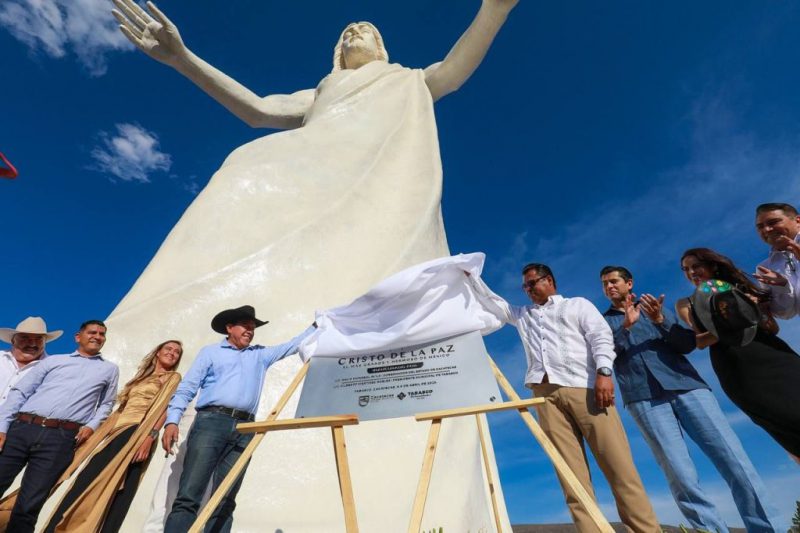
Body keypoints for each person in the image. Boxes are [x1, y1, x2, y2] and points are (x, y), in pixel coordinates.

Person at [469, 263, 660, 533]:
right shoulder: (523, 315)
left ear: (549, 281)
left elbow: (601, 337)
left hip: (586, 389)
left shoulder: (577, 305)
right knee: (571, 477)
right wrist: (470, 276)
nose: (528, 289)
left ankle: (647, 530)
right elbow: (495, 304)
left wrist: (604, 373)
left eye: (532, 283)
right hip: (544, 397)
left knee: (619, 468)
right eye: (525, 286)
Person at [600, 266, 780, 532]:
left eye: (614, 281)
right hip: (644, 399)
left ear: (629, 283)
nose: (609, 287)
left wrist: (661, 320)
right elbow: (606, 354)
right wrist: (626, 327)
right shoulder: (603, 322)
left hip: (688, 387)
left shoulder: (654, 309)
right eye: (604, 284)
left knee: (733, 460)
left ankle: (767, 529)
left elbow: (687, 344)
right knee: (679, 475)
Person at [162, 305, 315, 533]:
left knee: (226, 498)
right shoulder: (211, 352)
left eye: (253, 327)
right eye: (245, 326)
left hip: (246, 427)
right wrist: (172, 421)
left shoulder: (259, 355)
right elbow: (187, 388)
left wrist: (319, 324)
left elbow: (292, 345)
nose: (250, 330)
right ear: (229, 327)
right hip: (211, 422)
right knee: (189, 494)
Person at [40, 340, 183, 533]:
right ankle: (57, 527)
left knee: (120, 490)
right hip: (116, 431)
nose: (172, 353)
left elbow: (165, 407)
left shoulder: (172, 377)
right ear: (158, 352)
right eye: (168, 349)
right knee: (86, 480)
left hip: (137, 432)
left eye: (177, 352)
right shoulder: (141, 378)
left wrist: (149, 436)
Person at [676, 248, 800, 458]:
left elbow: (772, 328)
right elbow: (700, 341)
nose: (691, 272)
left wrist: (755, 309)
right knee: (785, 426)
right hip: (739, 371)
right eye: (686, 269)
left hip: (775, 355)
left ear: (712, 266)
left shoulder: (740, 288)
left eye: (696, 266)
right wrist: (734, 316)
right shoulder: (686, 303)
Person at [0, 320, 119, 532]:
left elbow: (107, 404)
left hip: (61, 438)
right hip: (23, 427)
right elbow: (21, 392)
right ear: (78, 337)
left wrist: (92, 425)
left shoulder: (109, 370)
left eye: (102, 334)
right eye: (92, 332)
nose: (97, 336)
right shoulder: (54, 361)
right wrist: (2, 427)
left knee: (29, 505)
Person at [753, 202, 800, 319]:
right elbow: (785, 314)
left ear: (798, 221)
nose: (767, 229)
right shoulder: (765, 268)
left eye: (773, 222)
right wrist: (782, 286)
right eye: (760, 227)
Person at [0, 317, 62, 404]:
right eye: (25, 338)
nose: (32, 344)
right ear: (13, 340)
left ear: (45, 342)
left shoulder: (53, 370)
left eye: (38, 339)